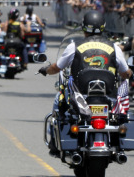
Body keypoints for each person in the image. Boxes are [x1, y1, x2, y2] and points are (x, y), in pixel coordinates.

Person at [38, 10, 133, 153]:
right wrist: (129, 72)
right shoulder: (114, 48)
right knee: (120, 116)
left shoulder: (74, 46)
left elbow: (56, 67)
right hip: (108, 96)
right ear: (103, 27)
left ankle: (54, 143)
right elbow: (125, 73)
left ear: (84, 27)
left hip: (80, 96)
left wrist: (45, 70)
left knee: (59, 99)